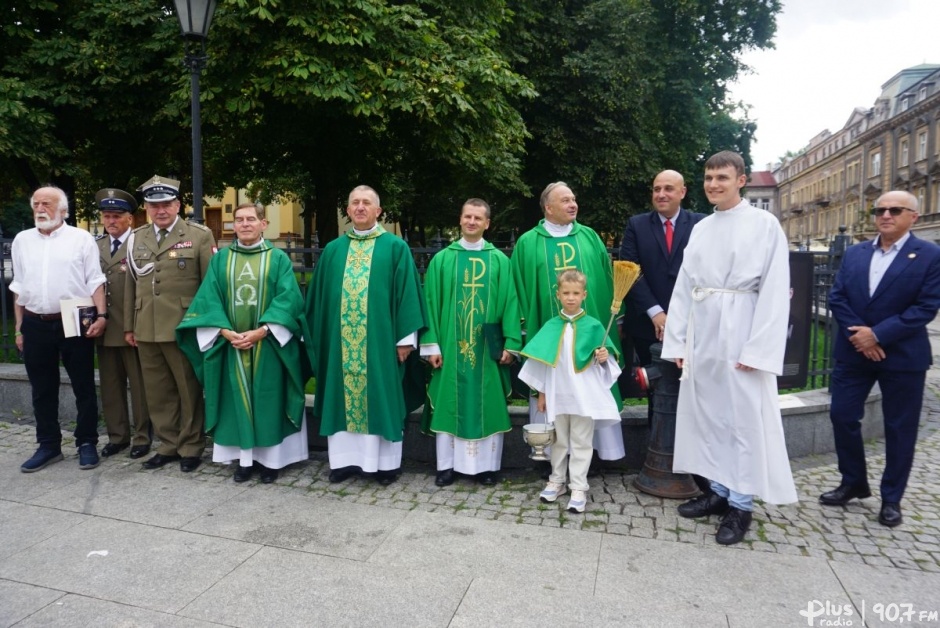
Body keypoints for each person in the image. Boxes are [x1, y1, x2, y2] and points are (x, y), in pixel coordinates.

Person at [661, 151, 797, 546]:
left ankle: (741, 504)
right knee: (710, 416)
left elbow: (774, 291)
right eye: (708, 177)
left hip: (741, 329)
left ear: (741, 180)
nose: (713, 184)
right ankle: (718, 491)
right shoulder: (702, 228)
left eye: (722, 177)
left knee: (741, 420)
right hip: (705, 331)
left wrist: (757, 349)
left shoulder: (764, 224)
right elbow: (686, 286)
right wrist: (681, 340)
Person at [820, 190, 940, 528]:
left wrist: (879, 335)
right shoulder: (857, 253)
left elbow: (925, 307)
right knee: (842, 416)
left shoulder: (929, 254)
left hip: (902, 357)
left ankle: (891, 499)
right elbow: (837, 296)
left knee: (899, 428)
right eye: (879, 210)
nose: (885, 215)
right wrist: (862, 337)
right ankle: (853, 481)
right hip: (855, 352)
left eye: (895, 210)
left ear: (912, 216)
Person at [304, 185, 427, 486]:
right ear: (347, 211)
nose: (360, 207)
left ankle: (384, 465)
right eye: (354, 203)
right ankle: (344, 463)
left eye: (366, 203)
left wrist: (405, 340)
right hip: (339, 347)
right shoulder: (333, 250)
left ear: (378, 211)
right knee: (340, 401)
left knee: (381, 398)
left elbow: (408, 296)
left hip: (381, 345)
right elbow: (317, 301)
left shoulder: (395, 248)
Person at [177, 203, 308, 484]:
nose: (245, 224)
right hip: (231, 345)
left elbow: (290, 299)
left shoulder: (278, 259)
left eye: (251, 219)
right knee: (236, 401)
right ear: (233, 225)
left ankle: (271, 462)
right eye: (239, 220)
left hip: (268, 345)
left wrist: (263, 331)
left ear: (263, 224)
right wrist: (224, 331)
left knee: (268, 400)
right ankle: (244, 461)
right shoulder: (221, 260)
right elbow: (208, 299)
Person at [511, 182, 625, 469]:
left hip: (588, 332)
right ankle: (548, 456)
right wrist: (524, 323)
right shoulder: (527, 242)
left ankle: (593, 456)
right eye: (565, 200)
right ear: (548, 208)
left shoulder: (589, 237)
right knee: (551, 385)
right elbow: (518, 288)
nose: (573, 204)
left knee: (588, 384)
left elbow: (604, 283)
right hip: (547, 334)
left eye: (574, 199)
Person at [420, 199, 522, 487]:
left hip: (486, 351)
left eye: (478, 218)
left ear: (487, 223)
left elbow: (511, 303)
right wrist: (431, 346)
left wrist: (510, 345)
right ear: (460, 220)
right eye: (468, 217)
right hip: (450, 350)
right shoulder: (442, 260)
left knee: (487, 402)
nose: (472, 222)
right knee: (449, 400)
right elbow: (431, 304)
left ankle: (488, 468)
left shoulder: (500, 261)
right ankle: (446, 467)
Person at [620, 169, 709, 494]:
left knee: (692, 394)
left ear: (682, 192)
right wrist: (657, 313)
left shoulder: (701, 224)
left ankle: (691, 464)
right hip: (647, 326)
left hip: (693, 327)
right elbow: (631, 270)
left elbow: (706, 271)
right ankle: (657, 459)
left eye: (668, 189)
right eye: (657, 189)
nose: (661, 194)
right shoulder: (637, 225)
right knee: (657, 391)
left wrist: (680, 318)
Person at [11, 186, 107, 472]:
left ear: (63, 210)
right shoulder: (22, 240)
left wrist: (101, 316)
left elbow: (95, 280)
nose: (40, 208)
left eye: (47, 204)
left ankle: (87, 442)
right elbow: (18, 285)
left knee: (83, 385)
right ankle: (48, 445)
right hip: (35, 321)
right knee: (42, 387)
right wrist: (18, 328)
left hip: (74, 316)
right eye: (36, 203)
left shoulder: (81, 238)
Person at [124, 175, 217, 473]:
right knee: (158, 389)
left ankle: (190, 446)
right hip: (146, 326)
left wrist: (205, 325)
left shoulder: (199, 235)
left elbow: (209, 285)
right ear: (147, 208)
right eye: (154, 205)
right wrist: (129, 326)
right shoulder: (137, 237)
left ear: (178, 205)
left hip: (182, 326)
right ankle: (167, 444)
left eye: (166, 204)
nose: (160, 210)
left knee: (188, 388)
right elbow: (130, 285)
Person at [518, 270, 621, 513]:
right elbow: (542, 362)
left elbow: (606, 364)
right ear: (558, 295)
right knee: (559, 440)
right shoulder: (552, 326)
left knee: (582, 442)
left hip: (583, 397)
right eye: (566, 293)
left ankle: (578, 486)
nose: (571, 298)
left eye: (576, 293)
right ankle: (557, 480)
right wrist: (542, 393)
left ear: (584, 295)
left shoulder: (595, 326)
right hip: (558, 395)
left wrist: (604, 357)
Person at [94, 188, 152, 460]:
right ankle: (117, 436)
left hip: (132, 327)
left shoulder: (140, 244)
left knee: (139, 386)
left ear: (131, 218)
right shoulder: (97, 246)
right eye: (106, 216)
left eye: (116, 216)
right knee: (110, 385)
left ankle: (142, 436)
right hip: (103, 329)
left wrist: (135, 326)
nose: (111, 221)